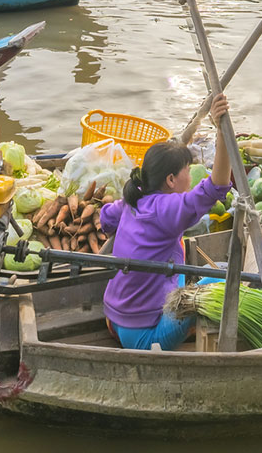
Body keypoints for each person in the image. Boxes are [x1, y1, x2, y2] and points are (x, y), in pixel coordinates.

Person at [99, 94, 233, 350]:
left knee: (181, 272)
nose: (191, 177)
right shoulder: (166, 208)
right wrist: (221, 132)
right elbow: (216, 187)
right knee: (222, 278)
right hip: (143, 336)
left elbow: (105, 216)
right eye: (188, 170)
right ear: (171, 180)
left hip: (113, 319)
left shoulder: (133, 198)